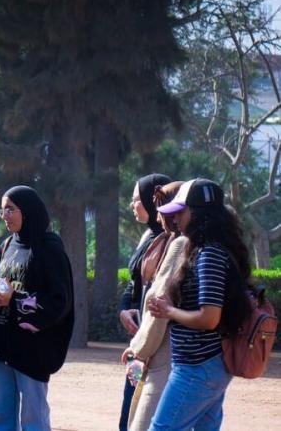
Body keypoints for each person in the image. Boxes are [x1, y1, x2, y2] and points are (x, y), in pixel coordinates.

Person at [147, 179, 253, 430]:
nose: (176, 220)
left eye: (181, 212)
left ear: (199, 214)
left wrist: (169, 311)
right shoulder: (213, 250)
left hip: (198, 368)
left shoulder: (209, 255)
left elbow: (209, 318)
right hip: (207, 366)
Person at [0, 185, 74, 431]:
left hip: (32, 350)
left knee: (33, 419)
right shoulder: (7, 245)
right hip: (2, 345)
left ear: (28, 210)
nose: (5, 216)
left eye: (10, 209)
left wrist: (14, 299)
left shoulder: (49, 248)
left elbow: (58, 300)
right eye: (2, 211)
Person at [120, 181, 186, 431]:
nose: (133, 204)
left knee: (139, 415)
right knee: (130, 403)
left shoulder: (177, 243)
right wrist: (124, 309)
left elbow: (158, 299)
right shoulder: (153, 238)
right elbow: (136, 282)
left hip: (153, 346)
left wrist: (138, 349)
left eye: (138, 199)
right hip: (144, 339)